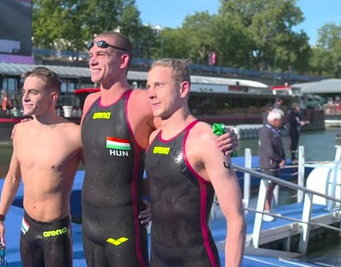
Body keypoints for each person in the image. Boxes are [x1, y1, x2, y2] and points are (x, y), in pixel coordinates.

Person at [81, 31, 238, 266]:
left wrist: (223, 133)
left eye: (101, 54)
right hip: (100, 228)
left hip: (140, 231)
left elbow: (181, 131)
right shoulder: (91, 104)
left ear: (123, 61)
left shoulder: (143, 102)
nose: (92, 60)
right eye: (91, 55)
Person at [144, 59, 246, 266]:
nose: (150, 93)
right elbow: (168, 183)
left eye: (159, 85)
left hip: (195, 258)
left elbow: (236, 219)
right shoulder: (153, 137)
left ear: (183, 89)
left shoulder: (206, 139)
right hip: (157, 256)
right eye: (148, 86)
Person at [0, 67, 82, 267]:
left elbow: (104, 174)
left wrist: (137, 200)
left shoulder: (74, 135)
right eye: (24, 92)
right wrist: (0, 220)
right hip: (27, 227)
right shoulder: (21, 131)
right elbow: (13, 178)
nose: (25, 97)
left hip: (56, 232)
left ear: (53, 97)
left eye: (33, 92)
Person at [258, 108, 285, 222]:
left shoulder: (274, 131)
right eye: (280, 120)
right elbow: (269, 148)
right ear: (274, 120)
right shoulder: (265, 131)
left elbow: (279, 146)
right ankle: (265, 211)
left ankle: (269, 209)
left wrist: (283, 158)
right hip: (269, 164)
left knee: (272, 187)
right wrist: (279, 160)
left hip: (274, 164)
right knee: (268, 187)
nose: (282, 122)